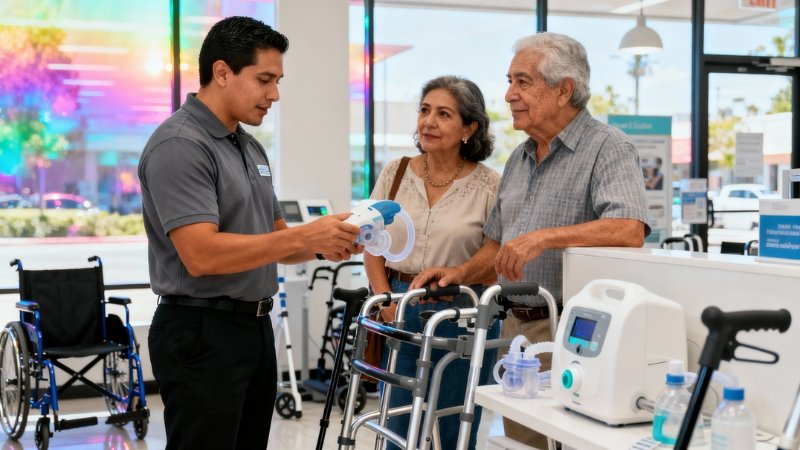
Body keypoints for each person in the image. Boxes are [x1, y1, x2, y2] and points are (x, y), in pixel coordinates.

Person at [412, 33, 650, 449]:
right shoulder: (518, 158)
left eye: (523, 82)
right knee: (524, 440)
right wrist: (459, 273)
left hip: (572, 328)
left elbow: (629, 229)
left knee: (568, 439)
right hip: (515, 326)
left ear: (564, 90)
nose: (508, 95)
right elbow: (497, 247)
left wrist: (544, 238)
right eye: (510, 81)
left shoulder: (608, 148)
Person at [138, 16, 362, 450]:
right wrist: (303, 238)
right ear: (222, 72)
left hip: (254, 329)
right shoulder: (180, 145)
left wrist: (325, 243)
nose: (274, 94)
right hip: (201, 330)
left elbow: (275, 238)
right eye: (264, 79)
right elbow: (200, 255)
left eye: (277, 80)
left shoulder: (248, 146)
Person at [364, 75, 501, 450]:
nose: (428, 122)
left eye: (443, 114)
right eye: (425, 111)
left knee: (456, 427)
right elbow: (372, 242)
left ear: (469, 128)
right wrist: (386, 299)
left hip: (463, 313)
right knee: (397, 424)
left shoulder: (491, 185)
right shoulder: (395, 173)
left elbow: (495, 257)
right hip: (401, 307)